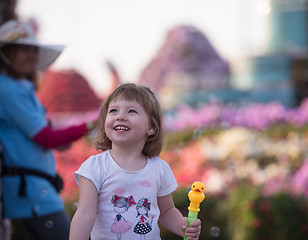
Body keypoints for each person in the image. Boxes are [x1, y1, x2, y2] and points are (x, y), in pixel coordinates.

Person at [0, 20, 95, 240]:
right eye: (24, 49)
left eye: (34, 50)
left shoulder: (19, 88)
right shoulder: (9, 90)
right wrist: (91, 125)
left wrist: (63, 137)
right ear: (6, 53)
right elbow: (46, 138)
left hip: (34, 190)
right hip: (32, 194)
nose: (32, 55)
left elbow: (44, 137)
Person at [69, 83, 202, 240]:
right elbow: (84, 214)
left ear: (151, 127)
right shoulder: (94, 167)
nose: (120, 116)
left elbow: (166, 211)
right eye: (113, 111)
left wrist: (182, 225)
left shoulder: (159, 168)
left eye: (131, 111)